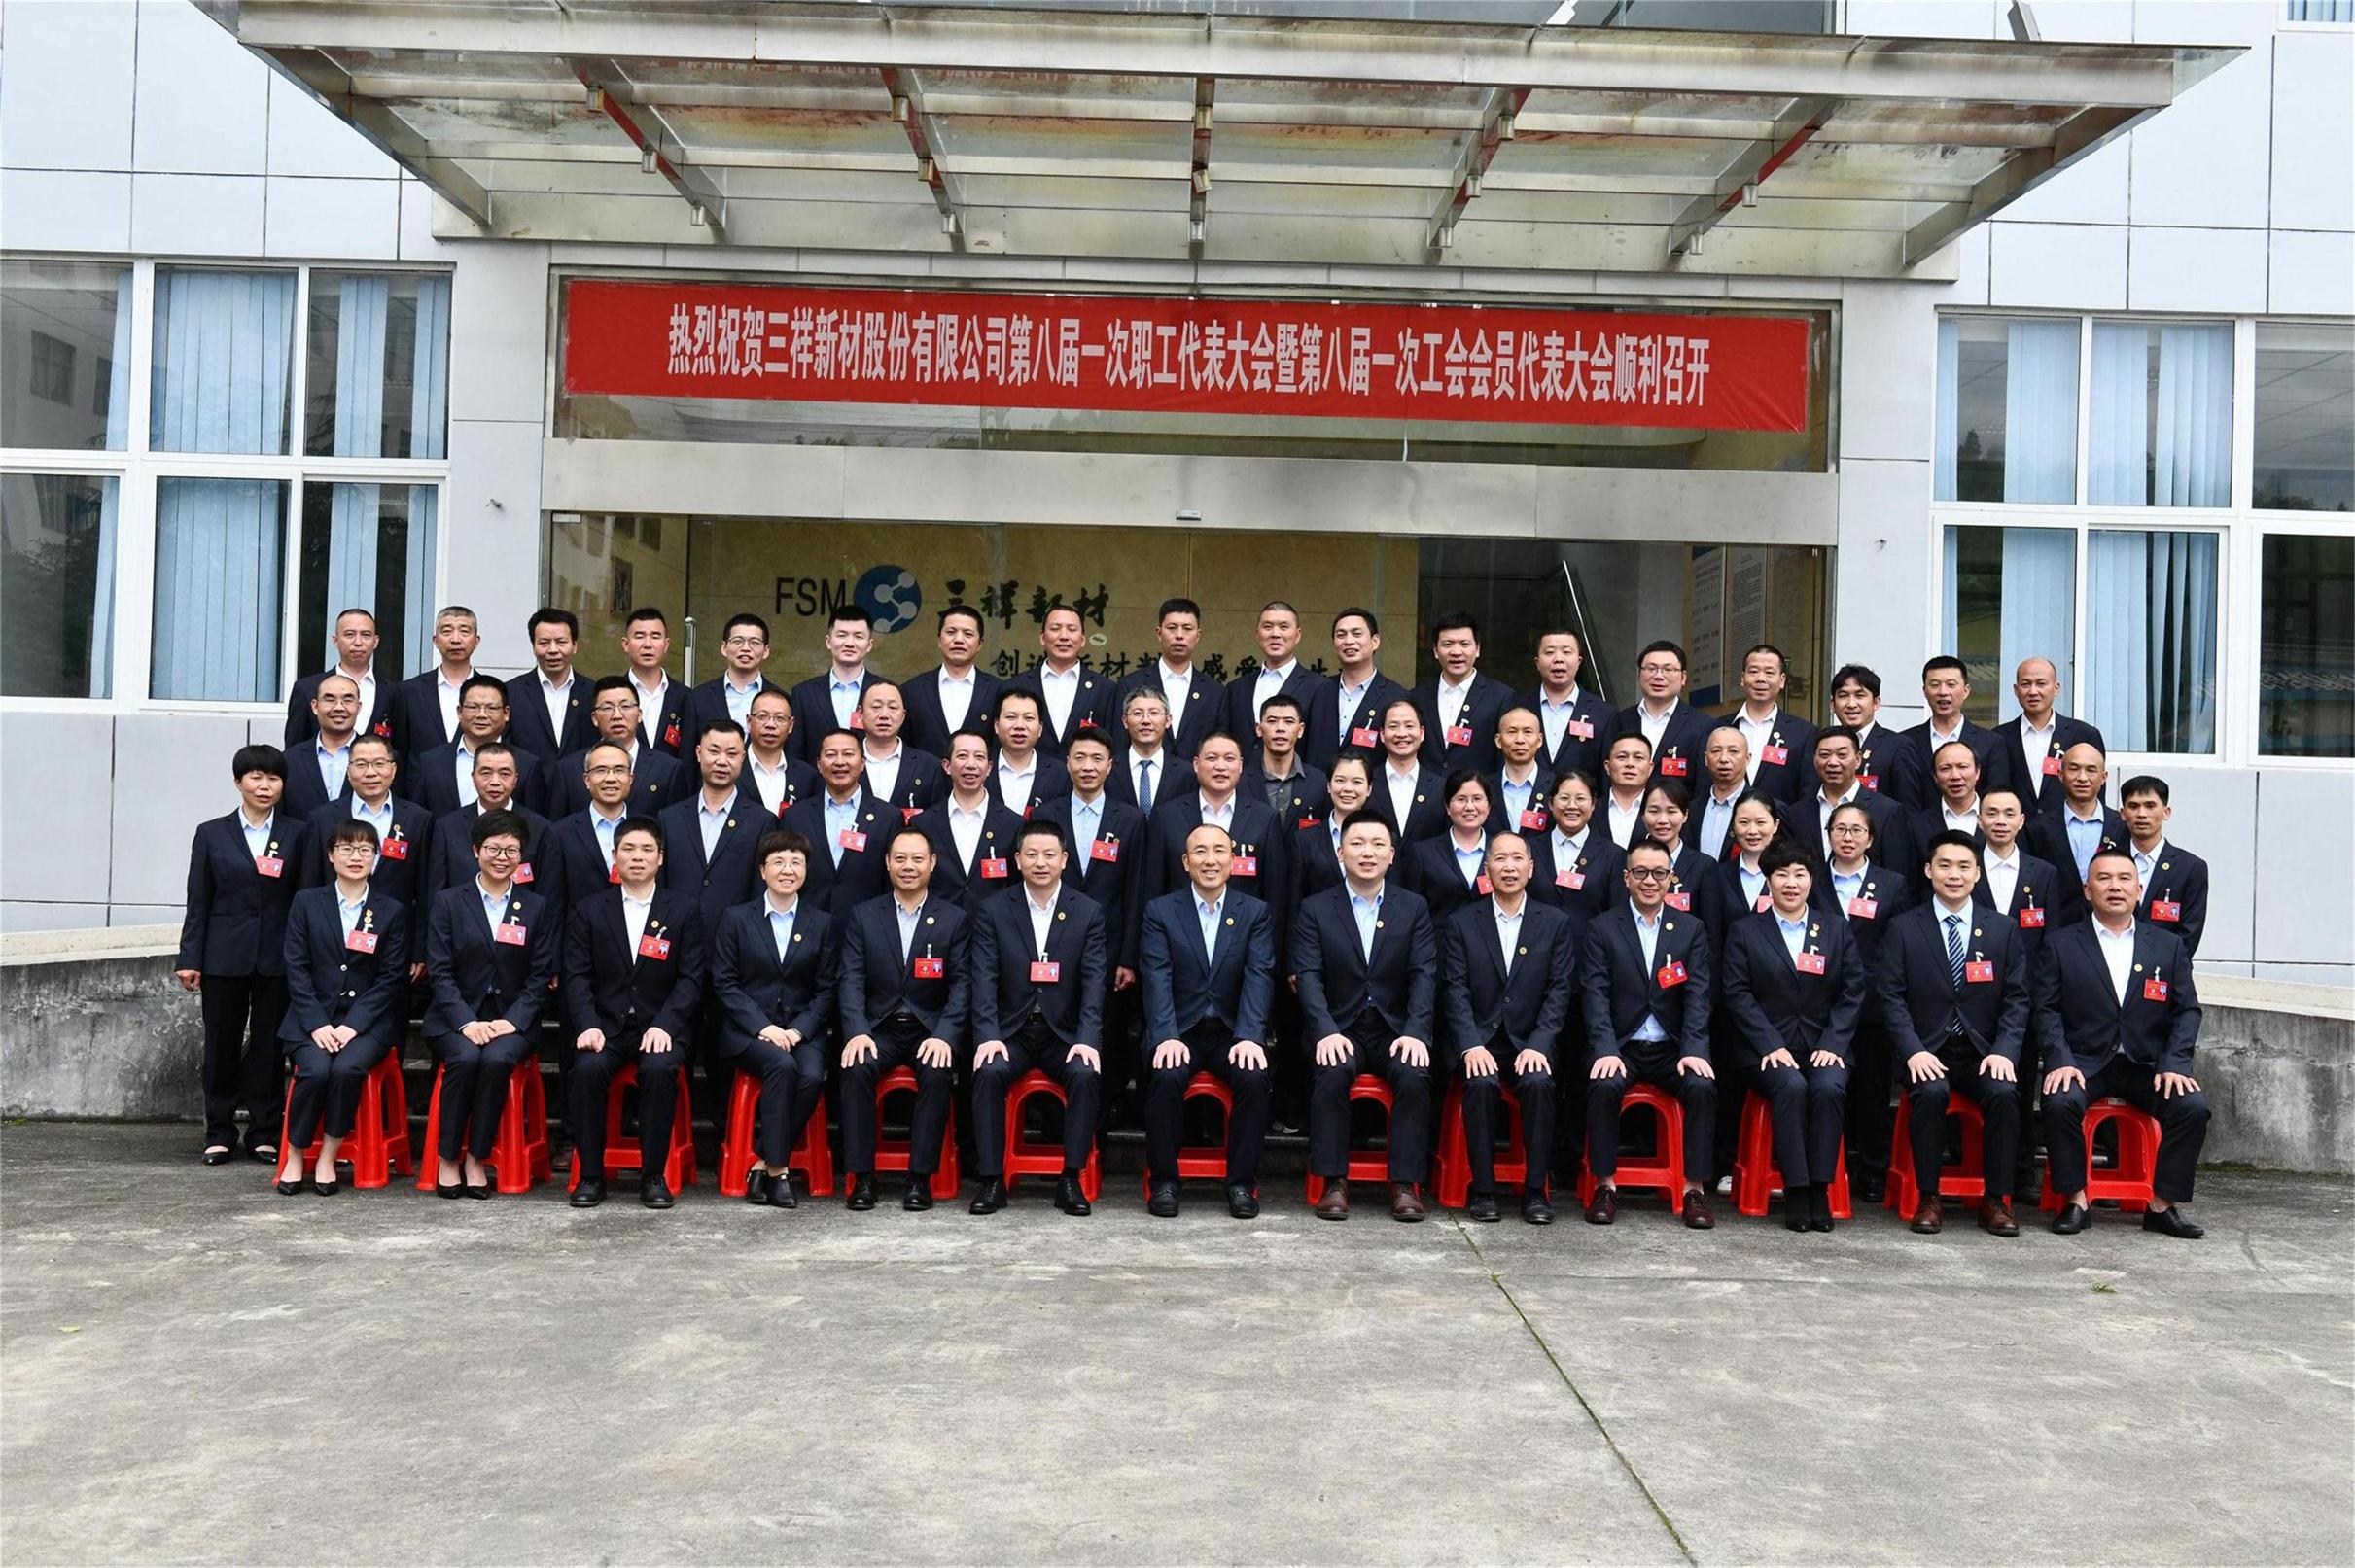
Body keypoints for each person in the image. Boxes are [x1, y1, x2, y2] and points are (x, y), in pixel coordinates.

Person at [2036, 848, 2209, 1239]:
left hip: (2146, 1065)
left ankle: (2161, 1205)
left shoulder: (2167, 945)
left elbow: (2187, 1010)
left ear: (2139, 889)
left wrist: (2175, 1062)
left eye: (2124, 878)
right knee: (2060, 1102)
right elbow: (2046, 1009)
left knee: (2192, 1108)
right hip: (2084, 1062)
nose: (2114, 886)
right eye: (2104, 878)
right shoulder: (2061, 944)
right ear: (2087, 890)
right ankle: (2076, 1200)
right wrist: (2060, 1059)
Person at [1879, 830, 2030, 1237]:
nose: (1954, 875)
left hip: (1983, 1051)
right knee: (1929, 1093)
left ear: (1978, 873)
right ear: (1929, 870)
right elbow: (1891, 997)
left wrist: (2004, 1051)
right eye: (1944, 865)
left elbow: (2017, 999)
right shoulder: (1904, 927)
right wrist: (1912, 1050)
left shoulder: (2002, 929)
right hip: (1927, 1048)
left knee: (2004, 1094)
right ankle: (1929, 1197)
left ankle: (1995, 1200)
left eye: (1964, 867)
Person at [1292, 811, 1438, 1222]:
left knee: (1413, 1074)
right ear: (1340, 852)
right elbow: (1308, 976)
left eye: (1377, 844)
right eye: (1357, 844)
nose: (1367, 853)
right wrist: (1324, 1031)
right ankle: (1333, 1181)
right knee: (1332, 1070)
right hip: (1340, 1026)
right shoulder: (1316, 908)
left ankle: (1405, 1184)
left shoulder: (1413, 907)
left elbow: (1424, 974)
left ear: (1392, 854)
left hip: (1395, 1028)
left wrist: (1415, 1032)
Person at [1718, 841, 1867, 1232]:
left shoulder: (1834, 928)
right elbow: (1737, 993)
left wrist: (1833, 1043)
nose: (1791, 883)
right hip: (1763, 1049)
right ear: (1768, 881)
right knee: (1791, 1086)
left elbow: (1853, 990)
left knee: (1829, 1088)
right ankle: (1797, 1190)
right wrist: (1770, 1044)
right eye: (1781, 874)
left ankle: (1820, 1188)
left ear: (1811, 880)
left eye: (1799, 874)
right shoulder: (1746, 931)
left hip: (1823, 1045)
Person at [967, 821, 1109, 1217]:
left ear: (1064, 859)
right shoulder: (994, 910)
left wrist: (1087, 1039)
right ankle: (991, 1179)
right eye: (1031, 855)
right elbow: (984, 978)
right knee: (988, 1072)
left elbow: (1094, 982)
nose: (1040, 863)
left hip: (1063, 1033)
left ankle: (1071, 1178)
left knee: (1085, 1074)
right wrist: (988, 1035)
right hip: (1011, 1031)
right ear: (1017, 860)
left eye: (1049, 855)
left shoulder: (1088, 912)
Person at [561, 819, 705, 1209]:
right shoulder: (589, 910)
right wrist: (588, 1024)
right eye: (628, 849)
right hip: (605, 1027)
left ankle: (653, 1175)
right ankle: (591, 1175)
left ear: (661, 858)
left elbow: (691, 979)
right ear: (614, 857)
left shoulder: (683, 910)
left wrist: (666, 1025)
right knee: (587, 1069)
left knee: (659, 1069)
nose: (637, 857)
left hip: (659, 1027)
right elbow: (577, 976)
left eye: (646, 850)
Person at [177, 745, 308, 1167]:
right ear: (238, 782)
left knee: (270, 1047)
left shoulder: (298, 833)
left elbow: (304, 900)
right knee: (221, 1044)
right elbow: (198, 900)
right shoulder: (211, 833)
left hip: (278, 957)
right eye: (255, 777)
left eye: (273, 778)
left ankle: (264, 1132)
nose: (264, 786)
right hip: (223, 956)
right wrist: (189, 957)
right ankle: (218, 1132)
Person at [1140, 823, 1277, 1219]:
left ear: (1233, 861)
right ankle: (1164, 1181)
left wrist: (1250, 1036)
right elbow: (1156, 975)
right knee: (1165, 1075)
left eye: (1219, 851)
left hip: (1231, 1032)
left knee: (1254, 1077)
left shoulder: (1254, 912)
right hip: (1179, 1029)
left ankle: (1241, 1184)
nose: (1210, 860)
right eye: (1200, 852)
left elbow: (1259, 974)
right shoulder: (1161, 911)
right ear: (1186, 862)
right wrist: (1165, 1035)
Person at [1577, 839, 1716, 1229]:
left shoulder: (1690, 929)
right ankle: (1605, 1186)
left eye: (1659, 873)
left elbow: (1698, 996)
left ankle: (1694, 1190)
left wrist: (1694, 1049)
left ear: (1671, 878)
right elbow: (1595, 995)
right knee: (1603, 1085)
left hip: (1672, 1047)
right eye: (1640, 872)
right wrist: (1605, 1048)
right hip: (1622, 1045)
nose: (1649, 881)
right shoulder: (1602, 928)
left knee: (1702, 1086)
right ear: (1626, 877)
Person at [1441, 832, 1579, 1224]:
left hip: (1530, 1041)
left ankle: (1535, 1190)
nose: (1509, 867)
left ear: (1531, 868)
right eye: (1500, 859)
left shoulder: (1555, 923)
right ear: (1487, 869)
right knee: (1481, 1083)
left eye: (1517, 859)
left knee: (1538, 1084)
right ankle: (1483, 1190)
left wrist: (1539, 1044)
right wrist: (1470, 1045)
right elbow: (1454, 990)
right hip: (1480, 1040)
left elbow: (1559, 991)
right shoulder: (1462, 922)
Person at [421, 810, 558, 1199]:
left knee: (497, 1060)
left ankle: (476, 1158)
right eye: (494, 849)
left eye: (511, 850)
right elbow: (440, 971)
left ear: (521, 856)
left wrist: (513, 1020)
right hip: (455, 1019)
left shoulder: (536, 906)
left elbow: (539, 974)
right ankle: (448, 1157)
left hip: (511, 1021)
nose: (502, 857)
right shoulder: (449, 902)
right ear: (475, 851)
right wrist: (467, 1022)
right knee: (465, 1059)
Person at [836, 826, 969, 1211]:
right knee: (855, 1068)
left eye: (917, 859)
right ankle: (863, 1177)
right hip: (878, 1028)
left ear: (932, 863)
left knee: (938, 1072)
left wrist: (945, 1035)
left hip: (929, 1029)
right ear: (887, 863)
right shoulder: (864, 915)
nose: (908, 867)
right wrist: (857, 1031)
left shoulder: (954, 918)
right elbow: (850, 979)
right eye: (900, 859)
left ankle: (919, 1179)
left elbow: (962, 985)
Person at [274, 819, 408, 1196]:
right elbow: (296, 968)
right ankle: (296, 1155)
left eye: (365, 849)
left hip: (367, 1025)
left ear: (376, 858)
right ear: (331, 856)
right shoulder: (306, 902)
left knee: (347, 1069)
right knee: (315, 1071)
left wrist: (354, 1025)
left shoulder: (391, 910)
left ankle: (329, 1156)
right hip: (310, 1020)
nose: (355, 856)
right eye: (346, 848)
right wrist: (317, 1023)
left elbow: (391, 977)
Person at [710, 830, 837, 1209]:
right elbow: (725, 982)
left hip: (802, 1030)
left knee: (811, 1076)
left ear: (806, 871)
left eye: (796, 862)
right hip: (749, 1032)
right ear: (762, 870)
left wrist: (798, 1030)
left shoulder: (821, 922)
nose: (787, 870)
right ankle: (779, 1171)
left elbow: (827, 989)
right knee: (782, 1066)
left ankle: (761, 1162)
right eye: (778, 862)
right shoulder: (736, 918)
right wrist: (763, 1027)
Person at [1032, 730, 1148, 1130]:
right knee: (1058, 1022)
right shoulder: (1047, 814)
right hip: (1053, 944)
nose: (1087, 767)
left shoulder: (1129, 819)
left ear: (1110, 766)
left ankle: (1103, 1111)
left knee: (1108, 1029)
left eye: (1097, 759)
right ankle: (1053, 1114)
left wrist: (1129, 956)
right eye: (1079, 758)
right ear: (1067, 763)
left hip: (1111, 948)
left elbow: (1135, 891)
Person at [1820, 799, 1914, 1204]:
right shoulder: (1811, 879)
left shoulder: (1892, 883)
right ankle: (1828, 1167)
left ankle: (1873, 1170)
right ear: (1828, 836)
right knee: (1828, 1087)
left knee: (1873, 1090)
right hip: (1822, 1004)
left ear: (1871, 839)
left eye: (1856, 830)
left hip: (1874, 1005)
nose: (1848, 837)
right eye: (1840, 829)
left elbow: (1900, 945)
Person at [1143, 731, 1286, 913]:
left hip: (1244, 926)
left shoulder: (1264, 818)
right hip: (1179, 924)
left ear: (1240, 765)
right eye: (1211, 758)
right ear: (1196, 764)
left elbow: (1275, 892)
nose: (1220, 766)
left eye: (1229, 759)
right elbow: (1154, 887)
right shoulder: (1167, 817)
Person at [300, 733, 432, 923]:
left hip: (398, 932)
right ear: (348, 770)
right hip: (334, 928)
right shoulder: (323, 819)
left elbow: (424, 891)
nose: (370, 773)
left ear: (393, 769)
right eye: (361, 764)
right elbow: (310, 885)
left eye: (379, 764)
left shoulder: (418, 819)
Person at [657, 719, 766, 944]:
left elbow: (759, 891)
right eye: (714, 751)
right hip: (676, 939)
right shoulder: (669, 818)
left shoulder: (761, 821)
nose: (722, 761)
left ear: (742, 758)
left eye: (732, 754)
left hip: (735, 942)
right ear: (699, 753)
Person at [778, 730, 893, 918]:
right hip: (807, 922)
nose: (840, 762)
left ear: (863, 763)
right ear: (818, 764)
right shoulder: (795, 816)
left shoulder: (887, 817)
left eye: (848, 754)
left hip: (867, 922)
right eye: (831, 755)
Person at [425, 743, 553, 907]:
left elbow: (546, 895)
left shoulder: (540, 828)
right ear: (473, 777)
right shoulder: (447, 828)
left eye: (504, 774)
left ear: (516, 779)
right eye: (486, 773)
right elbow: (436, 894)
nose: (495, 782)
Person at [405, 675, 552, 819]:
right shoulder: (430, 762)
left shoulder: (527, 764)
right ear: (459, 711)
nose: (482, 715)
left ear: (506, 713)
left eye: (491, 708)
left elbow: (534, 822)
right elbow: (418, 820)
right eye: (473, 707)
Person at [915, 732, 1028, 914]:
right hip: (938, 924)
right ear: (947, 766)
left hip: (993, 924)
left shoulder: (1013, 824)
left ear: (989, 768)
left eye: (979, 757)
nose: (971, 764)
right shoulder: (922, 824)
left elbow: (1016, 885)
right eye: (962, 756)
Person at [1888, 655, 2007, 812]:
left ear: (1966, 691)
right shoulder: (1904, 742)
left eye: (1951, 685)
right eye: (1934, 685)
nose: (1943, 692)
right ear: (1925, 691)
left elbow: (1996, 798)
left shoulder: (1991, 743)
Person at [2024, 741, 2128, 921]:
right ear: (2060, 774)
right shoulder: (2038, 828)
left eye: (2091, 770)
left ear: (2104, 777)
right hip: (2055, 925)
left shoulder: (2122, 826)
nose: (2082, 777)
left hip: (2110, 924)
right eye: (2074, 769)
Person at [553, 677, 685, 816]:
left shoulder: (668, 770)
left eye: (625, 706)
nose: (617, 715)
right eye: (607, 708)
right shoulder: (568, 770)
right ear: (594, 718)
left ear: (639, 715)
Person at [1225, 601, 1333, 768]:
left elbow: (1320, 751)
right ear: (1257, 634)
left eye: (1284, 627)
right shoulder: (1236, 688)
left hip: (1294, 781)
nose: (1275, 634)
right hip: (1242, 781)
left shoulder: (1319, 687)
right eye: (1268, 627)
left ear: (1297, 635)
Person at [1996, 657, 2103, 820]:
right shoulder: (1999, 737)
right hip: (2014, 830)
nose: (2033, 692)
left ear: (2056, 688)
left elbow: (2097, 791)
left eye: (2041, 684)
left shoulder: (2083, 735)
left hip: (2066, 828)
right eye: (2026, 684)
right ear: (2016, 690)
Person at [542, 741, 641, 915]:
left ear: (631, 778)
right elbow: (552, 902)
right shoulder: (561, 833)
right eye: (601, 770)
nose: (610, 778)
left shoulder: (647, 830)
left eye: (619, 770)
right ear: (587, 780)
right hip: (579, 930)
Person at [1790, 726, 1906, 875]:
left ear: (1858, 760)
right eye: (1824, 755)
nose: (1832, 762)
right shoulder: (1797, 813)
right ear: (1814, 760)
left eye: (1842, 755)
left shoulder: (1886, 811)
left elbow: (1896, 875)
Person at [1305, 608, 1408, 773]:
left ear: (1375, 641)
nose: (1348, 641)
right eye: (1341, 635)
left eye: (1357, 634)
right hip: (1318, 785)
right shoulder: (1317, 690)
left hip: (1371, 787)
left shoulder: (1396, 697)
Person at [1007, 604, 1116, 755]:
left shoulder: (1105, 689)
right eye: (1055, 628)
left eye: (1072, 629)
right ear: (1042, 637)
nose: (1064, 636)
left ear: (1083, 639)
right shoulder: (1016, 686)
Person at [1118, 597, 1220, 760]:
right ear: (1159, 633)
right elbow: (1119, 743)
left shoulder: (1214, 692)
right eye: (1172, 628)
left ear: (1198, 636)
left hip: (1196, 775)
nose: (1179, 635)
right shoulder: (1130, 684)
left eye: (1187, 629)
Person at [1412, 611, 1515, 774]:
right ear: (1436, 651)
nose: (1456, 652)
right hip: (1427, 789)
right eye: (1447, 644)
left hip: (1477, 788)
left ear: (1477, 649)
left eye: (1464, 644)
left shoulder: (1501, 697)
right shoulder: (1417, 697)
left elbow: (1505, 756)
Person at [287, 607, 396, 751]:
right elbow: (294, 750)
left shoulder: (394, 692)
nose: (358, 642)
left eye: (366, 635)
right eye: (350, 634)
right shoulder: (307, 689)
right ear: (335, 640)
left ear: (375, 641)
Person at [2123, 775, 2209, 958]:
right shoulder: (2107, 863)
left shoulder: (2190, 867)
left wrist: (2155, 966)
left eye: (2150, 806)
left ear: (2166, 812)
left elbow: (2189, 934)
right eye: (2134, 806)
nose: (2141, 814)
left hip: (2166, 969)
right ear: (2123, 813)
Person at [901, 604, 1001, 759]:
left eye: (968, 634)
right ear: (939, 640)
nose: (958, 640)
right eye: (951, 632)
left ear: (980, 644)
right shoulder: (912, 690)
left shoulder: (998, 690)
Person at [1611, 641, 1715, 785]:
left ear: (1683, 677)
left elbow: (1704, 784)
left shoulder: (1702, 726)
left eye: (1668, 669)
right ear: (1639, 674)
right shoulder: (1619, 720)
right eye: (1651, 668)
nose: (1658, 676)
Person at [787, 604, 882, 761]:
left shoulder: (886, 692)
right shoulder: (804, 694)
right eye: (842, 635)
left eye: (858, 636)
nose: (849, 643)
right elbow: (795, 752)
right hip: (816, 777)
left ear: (869, 645)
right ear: (828, 641)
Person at [1528, 770, 1624, 922]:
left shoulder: (1613, 855)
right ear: (1551, 803)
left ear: (1593, 804)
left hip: (1590, 937)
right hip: (1539, 936)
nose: (1572, 806)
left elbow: (1617, 913)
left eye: (1580, 799)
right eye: (1564, 798)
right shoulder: (1530, 849)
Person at [1401, 770, 1493, 927]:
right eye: (1461, 799)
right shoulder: (1423, 853)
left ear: (1488, 806)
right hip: (1439, 941)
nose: (1470, 807)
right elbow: (1412, 910)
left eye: (1477, 799)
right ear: (1447, 807)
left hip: (1490, 940)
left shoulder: (1502, 850)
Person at [1730, 644, 1819, 804]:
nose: (1761, 679)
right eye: (1754, 671)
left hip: (1782, 819)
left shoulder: (1803, 733)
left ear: (1782, 680)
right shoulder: (1719, 728)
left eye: (1769, 672)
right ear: (1743, 678)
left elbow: (1807, 794)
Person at [504, 607, 594, 764]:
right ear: (533, 647)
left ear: (574, 646)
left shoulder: (593, 692)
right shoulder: (511, 692)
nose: (553, 650)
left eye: (561, 642)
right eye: (544, 643)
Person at [1524, 626, 1613, 784]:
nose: (1558, 659)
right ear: (1537, 662)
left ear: (1579, 661)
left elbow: (1606, 775)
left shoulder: (1604, 714)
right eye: (1549, 652)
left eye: (1566, 652)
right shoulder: (1517, 706)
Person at [394, 604, 481, 759]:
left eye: (464, 631)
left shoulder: (491, 692)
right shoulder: (409, 691)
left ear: (476, 641)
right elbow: (399, 750)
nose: (455, 639)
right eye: (447, 631)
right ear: (435, 641)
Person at [1294, 749, 1378, 901]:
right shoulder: (1305, 841)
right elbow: (1295, 899)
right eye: (1340, 780)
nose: (1347, 789)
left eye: (1357, 782)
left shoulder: (1385, 839)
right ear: (1328, 786)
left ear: (1369, 789)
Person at [856, 679, 944, 822]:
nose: (884, 715)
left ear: (903, 716)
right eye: (876, 707)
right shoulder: (845, 763)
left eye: (892, 707)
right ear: (860, 714)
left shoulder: (929, 767)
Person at [1698, 792, 1784, 933]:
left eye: (1760, 823)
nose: (1752, 831)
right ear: (1733, 825)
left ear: (1775, 825)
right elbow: (1712, 934)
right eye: (1744, 823)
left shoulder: (1788, 876)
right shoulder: (1718, 875)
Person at [688, 612, 778, 747]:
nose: (745, 648)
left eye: (754, 642)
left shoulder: (781, 700)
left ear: (766, 651)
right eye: (737, 641)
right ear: (724, 648)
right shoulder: (698, 698)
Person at [282, 672, 362, 819]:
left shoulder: (381, 759)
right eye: (330, 699)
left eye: (347, 700)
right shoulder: (289, 760)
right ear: (314, 707)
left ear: (359, 707)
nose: (339, 707)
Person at [1243, 691, 1329, 827]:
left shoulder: (1319, 782)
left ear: (1300, 730)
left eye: (1289, 722)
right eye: (1272, 721)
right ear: (1259, 729)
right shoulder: (1240, 781)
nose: (1280, 728)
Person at [619, 606, 692, 760]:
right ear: (626, 644)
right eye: (639, 636)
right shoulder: (612, 695)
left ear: (666, 645)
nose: (648, 644)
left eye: (655, 636)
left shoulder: (686, 697)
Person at [1370, 697, 1447, 844]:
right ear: (1382, 734)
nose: (1402, 734)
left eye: (1409, 726)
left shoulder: (1440, 787)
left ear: (1421, 733)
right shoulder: (1367, 783)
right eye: (1393, 727)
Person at [987, 687, 1071, 815]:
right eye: (1011, 717)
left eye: (1028, 718)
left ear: (1040, 729)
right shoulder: (979, 768)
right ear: (996, 726)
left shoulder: (1061, 774)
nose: (1019, 726)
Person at [1904, 738, 1986, 868]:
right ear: (1935, 777)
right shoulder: (1917, 825)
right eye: (1945, 769)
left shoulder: (1999, 819)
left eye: (1963, 767)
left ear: (1977, 772)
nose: (1955, 776)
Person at [1636, 781, 1713, 917]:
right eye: (1654, 811)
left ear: (1685, 815)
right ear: (1643, 815)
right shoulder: (1627, 860)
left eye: (1671, 811)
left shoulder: (1703, 867)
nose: (1662, 820)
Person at [742, 686, 820, 816]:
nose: (770, 725)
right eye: (762, 717)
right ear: (749, 721)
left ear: (791, 725)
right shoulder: (732, 768)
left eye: (780, 718)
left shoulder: (806, 776)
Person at [1108, 687, 1185, 813]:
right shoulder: (1108, 769)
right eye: (1137, 713)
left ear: (1168, 721)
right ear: (1125, 721)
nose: (1145, 721)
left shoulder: (1186, 774)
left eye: (1154, 713)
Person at [1483, 706, 1554, 839]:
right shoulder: (1482, 788)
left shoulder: (1556, 787)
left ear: (1539, 740)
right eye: (1512, 732)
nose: (1520, 740)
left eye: (1527, 732)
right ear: (1498, 740)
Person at [1827, 664, 1896, 796]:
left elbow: (1907, 805)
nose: (1851, 704)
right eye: (1843, 696)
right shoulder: (1820, 744)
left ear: (1876, 702)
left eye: (1860, 696)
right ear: (1832, 704)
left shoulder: (1897, 747)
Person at [1687, 726, 1750, 862]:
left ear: (1748, 758)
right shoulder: (1692, 809)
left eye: (1733, 751)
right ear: (1706, 759)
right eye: (1716, 751)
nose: (1724, 759)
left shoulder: (1764, 808)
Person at [1599, 733, 1653, 851]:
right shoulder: (1591, 809)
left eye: (1638, 758)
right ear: (1607, 766)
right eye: (1622, 757)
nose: (1630, 764)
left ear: (1650, 768)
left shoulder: (1660, 811)